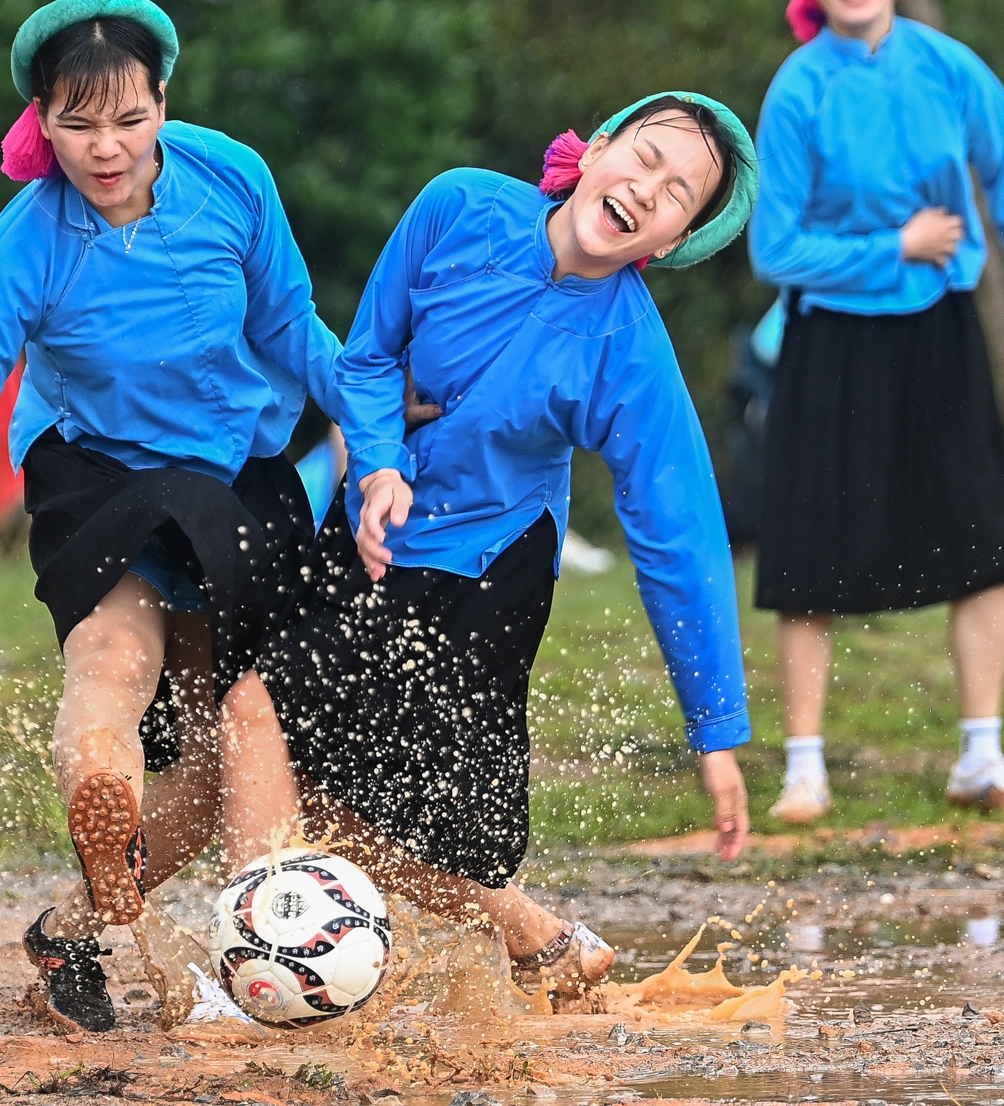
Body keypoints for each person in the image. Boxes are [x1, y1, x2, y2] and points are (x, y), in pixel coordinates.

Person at [0, 0, 344, 1033]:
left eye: (127, 119)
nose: (105, 146)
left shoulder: (232, 179)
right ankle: (114, 798)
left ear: (161, 101)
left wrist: (377, 432)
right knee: (113, 660)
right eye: (77, 126)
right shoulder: (31, 235)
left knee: (230, 742)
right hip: (98, 468)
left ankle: (83, 924)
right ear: (42, 122)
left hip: (233, 474)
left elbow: (294, 327)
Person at [216, 93, 760, 1003]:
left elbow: (679, 533)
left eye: (677, 193)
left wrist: (714, 731)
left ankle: (251, 972)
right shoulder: (459, 204)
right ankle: (535, 939)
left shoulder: (627, 347)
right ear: (592, 152)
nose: (647, 188)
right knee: (296, 781)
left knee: (255, 719)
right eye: (646, 156)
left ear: (666, 242)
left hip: (479, 577)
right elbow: (366, 358)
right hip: (369, 527)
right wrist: (379, 464)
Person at [750, 0, 1004, 825]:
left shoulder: (953, 71)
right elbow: (773, 246)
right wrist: (891, 247)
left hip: (941, 334)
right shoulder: (796, 90)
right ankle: (802, 772)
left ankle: (980, 758)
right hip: (828, 339)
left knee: (985, 537)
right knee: (803, 556)